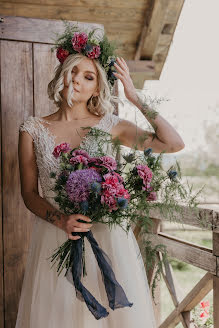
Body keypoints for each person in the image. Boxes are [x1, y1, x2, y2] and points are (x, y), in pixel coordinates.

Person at [16, 25, 184, 328]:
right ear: (61, 74)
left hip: (107, 237)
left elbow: (172, 143)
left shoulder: (110, 125)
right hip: (57, 235)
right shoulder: (32, 129)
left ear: (97, 88)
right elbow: (29, 193)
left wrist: (134, 96)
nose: (77, 80)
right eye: (73, 72)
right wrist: (61, 220)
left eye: (88, 77)